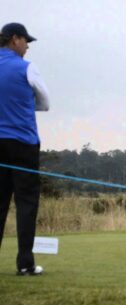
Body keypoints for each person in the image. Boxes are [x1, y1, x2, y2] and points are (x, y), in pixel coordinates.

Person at [0, 23, 50, 275]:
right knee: (26, 203)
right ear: (14, 39)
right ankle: (25, 264)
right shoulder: (26, 67)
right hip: (23, 143)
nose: (28, 45)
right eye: (25, 40)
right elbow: (45, 101)